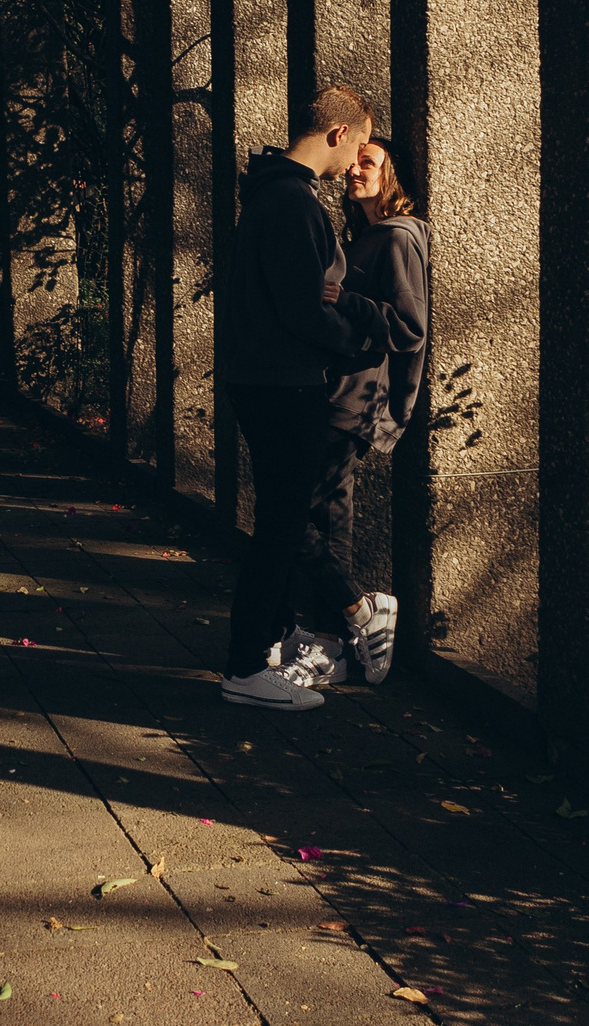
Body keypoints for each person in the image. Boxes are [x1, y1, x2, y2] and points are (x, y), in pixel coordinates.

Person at [214, 85, 403, 711]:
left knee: (279, 519)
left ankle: (271, 639)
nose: (356, 164)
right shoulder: (294, 203)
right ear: (338, 134)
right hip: (282, 382)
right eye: (356, 146)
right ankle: (246, 668)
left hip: (258, 376)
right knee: (282, 524)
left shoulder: (269, 194)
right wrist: (363, 330)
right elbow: (303, 311)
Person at [272, 137, 431, 690]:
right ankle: (329, 641)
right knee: (321, 515)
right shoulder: (365, 238)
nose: (354, 171)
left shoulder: (398, 238)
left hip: (356, 400)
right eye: (354, 163)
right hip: (334, 393)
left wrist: (343, 299)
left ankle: (351, 619)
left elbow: (410, 328)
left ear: (393, 176)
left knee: (302, 514)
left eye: (370, 163)